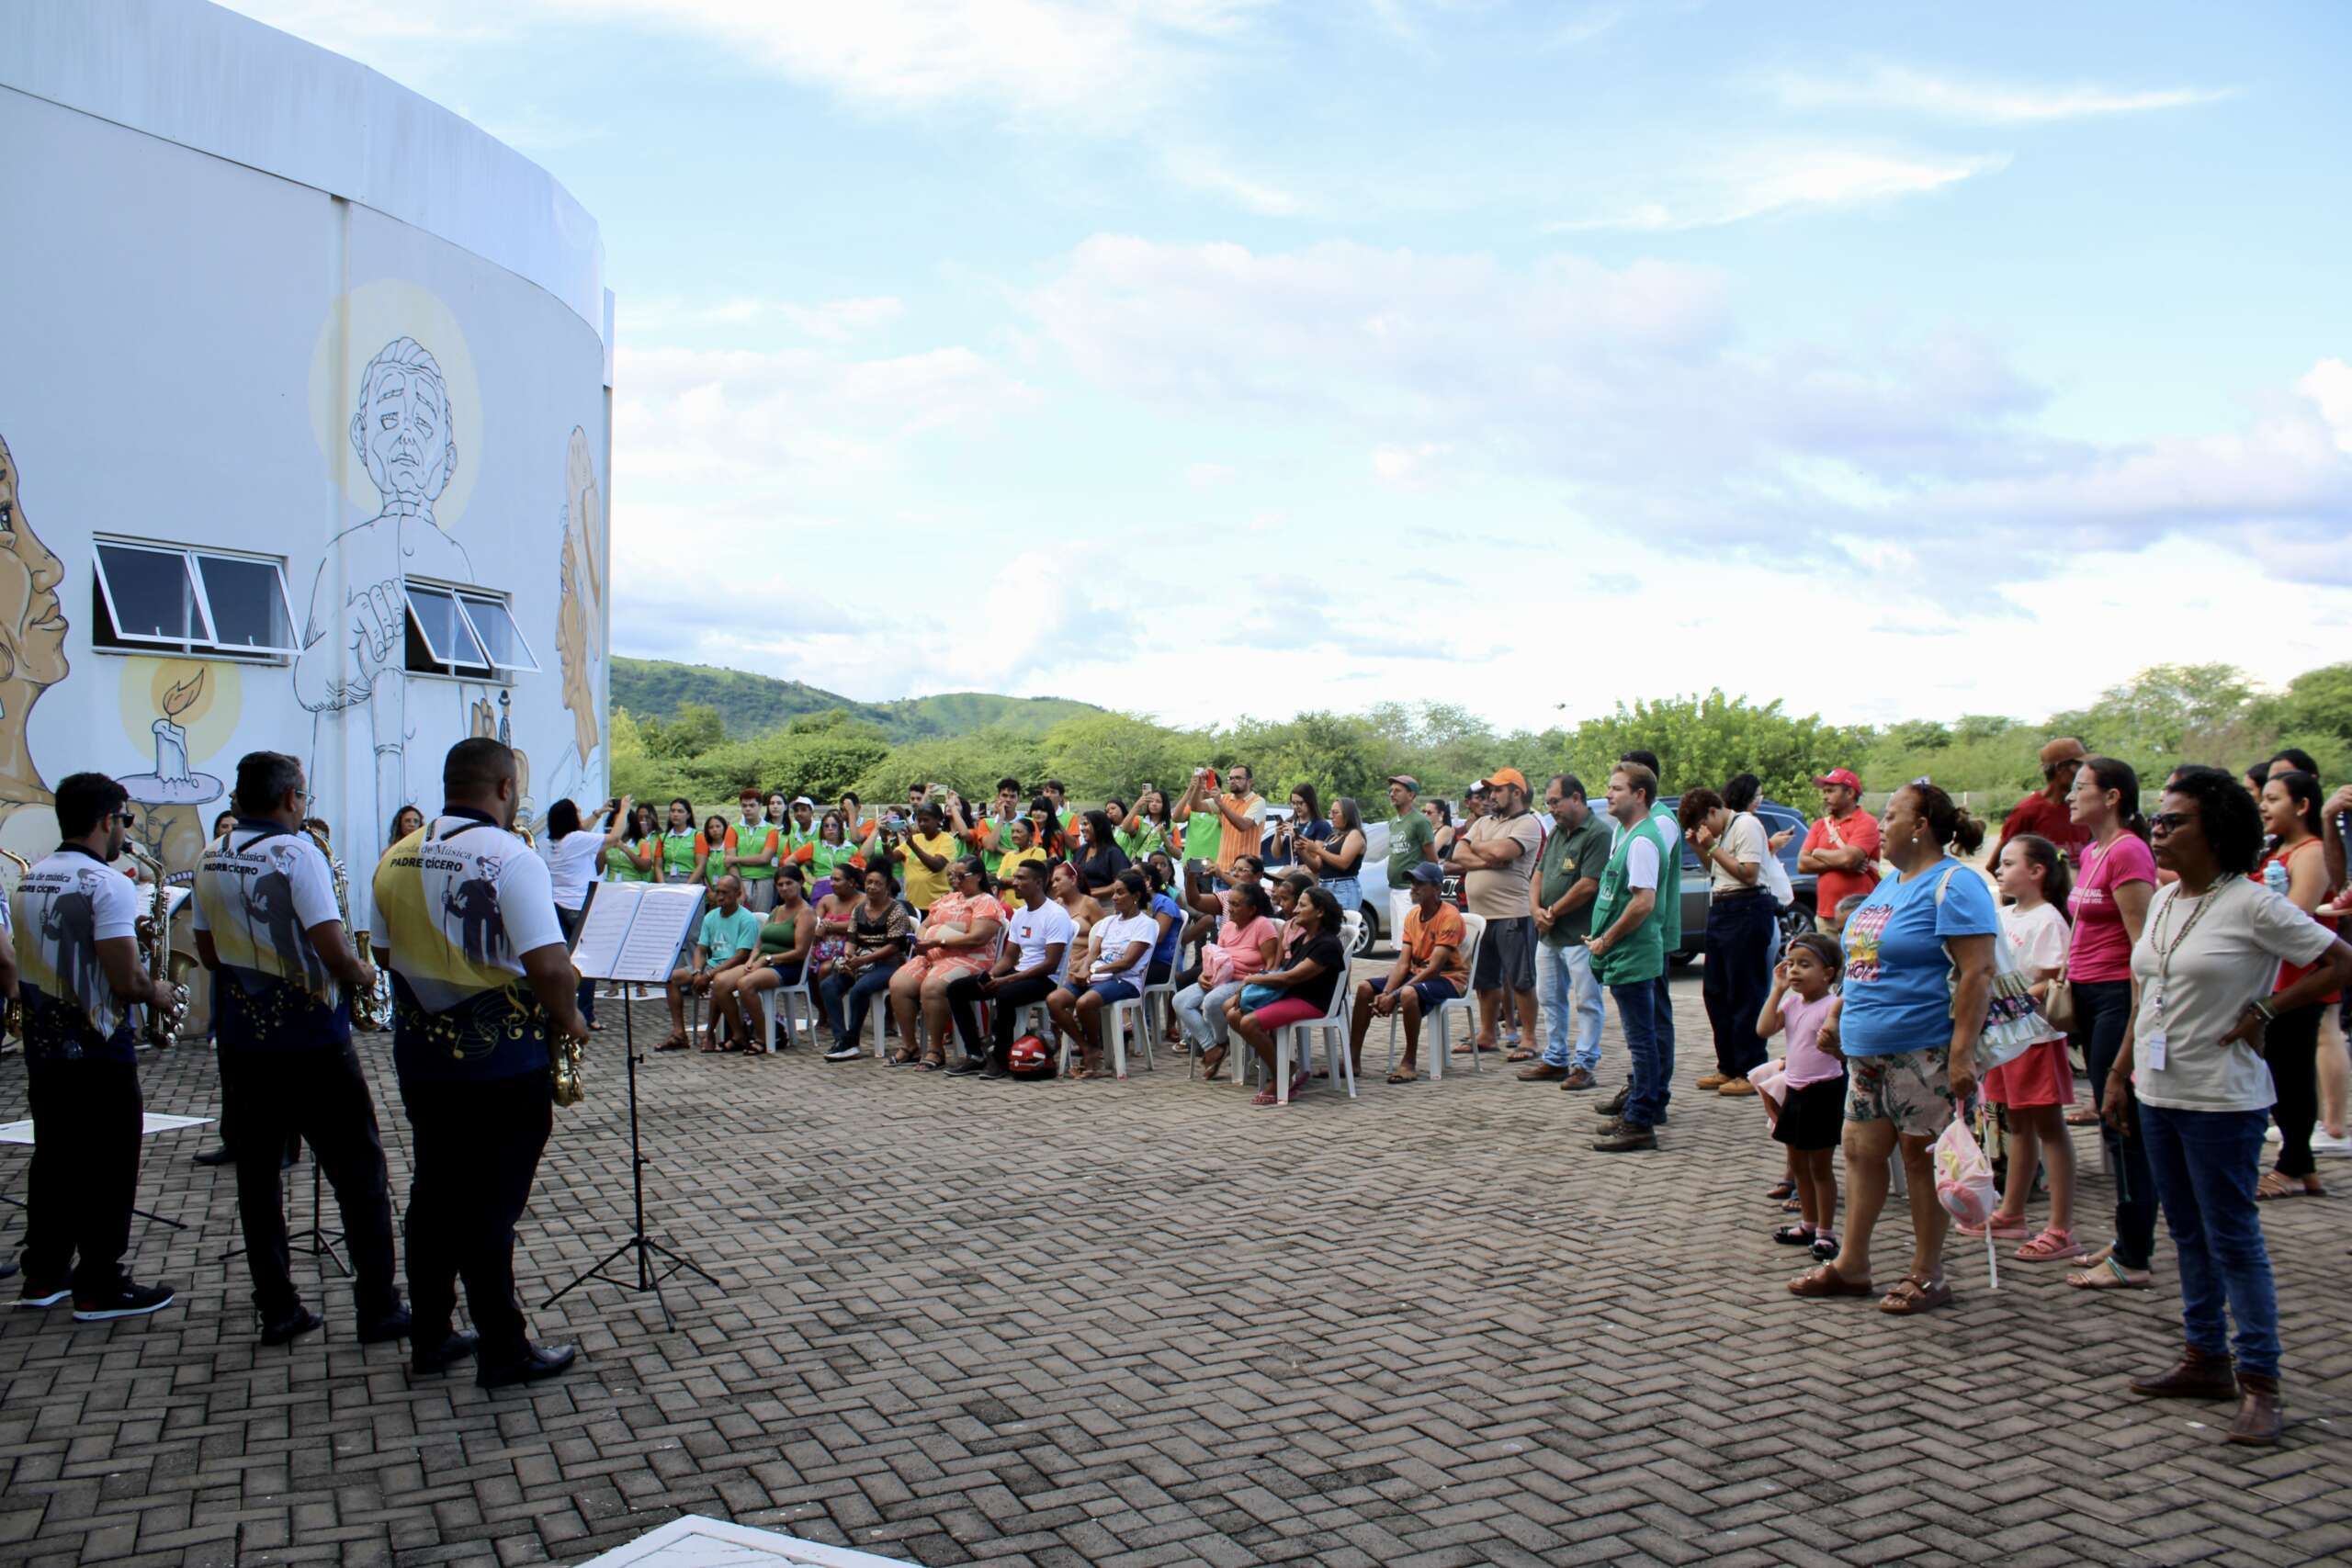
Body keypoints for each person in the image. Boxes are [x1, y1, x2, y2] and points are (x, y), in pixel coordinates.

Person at [2115, 765, 2352, 1446]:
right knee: (2187, 1231)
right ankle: (2204, 1358)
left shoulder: (2252, 903)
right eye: (2157, 819)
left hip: (2221, 1099)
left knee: (2233, 1237)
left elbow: (2339, 960)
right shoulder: (2164, 902)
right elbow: (2148, 992)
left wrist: (2267, 1009)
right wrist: (2121, 1072)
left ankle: (2261, 1381)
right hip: (2159, 1092)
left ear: (2216, 828)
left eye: (2174, 820)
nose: (2158, 829)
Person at [370, 739, 585, 1387]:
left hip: (423, 1055)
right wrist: (570, 1018)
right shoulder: (509, 857)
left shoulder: (397, 855)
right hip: (502, 1064)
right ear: (503, 786)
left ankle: (431, 1333)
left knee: (433, 1192)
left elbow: (383, 955)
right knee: (492, 1205)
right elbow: (549, 965)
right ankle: (503, 1346)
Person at [192, 751, 406, 1346]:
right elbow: (331, 948)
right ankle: (377, 1304)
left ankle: (278, 1306)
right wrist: (364, 975)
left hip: (242, 1038)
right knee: (359, 1172)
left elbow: (208, 952)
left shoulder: (213, 854)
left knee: (258, 1176)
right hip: (310, 1039)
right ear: (290, 797)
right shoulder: (297, 853)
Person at [1788, 783, 1994, 1316]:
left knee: (1918, 1156)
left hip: (1921, 1047)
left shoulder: (1955, 883)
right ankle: (1853, 1264)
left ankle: (1928, 1273)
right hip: (1867, 1049)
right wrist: (1836, 1016)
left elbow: (1977, 973)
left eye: (1892, 814)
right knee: (1859, 1150)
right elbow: (1858, 964)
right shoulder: (1888, 886)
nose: (1881, 824)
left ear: (1921, 825)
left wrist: (1962, 1054)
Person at [11, 773, 179, 1321]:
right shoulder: (107, 884)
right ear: (107, 820)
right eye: (125, 820)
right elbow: (127, 981)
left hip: (45, 1046)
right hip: (99, 1045)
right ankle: (99, 1283)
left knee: (55, 1158)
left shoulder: (32, 878)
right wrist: (163, 992)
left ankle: (44, 1273)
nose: (125, 832)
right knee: (109, 1163)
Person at [2063, 756, 2161, 1292]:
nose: (2070, 797)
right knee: (2111, 1123)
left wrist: (2133, 1031)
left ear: (2115, 796)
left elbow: (2143, 944)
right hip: (2088, 994)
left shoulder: (2128, 851)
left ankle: (2135, 1255)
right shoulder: (2097, 850)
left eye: (2081, 788)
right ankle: (2127, 1239)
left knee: (2122, 1123)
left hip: (2117, 999)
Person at [1962, 834, 2082, 1260]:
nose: (1999, 869)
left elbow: (2048, 980)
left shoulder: (2049, 919)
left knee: (2049, 1127)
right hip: (2005, 1039)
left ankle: (2060, 1226)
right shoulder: (2005, 915)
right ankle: (2012, 1212)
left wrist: (2004, 1008)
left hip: (2033, 1039)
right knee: (2017, 1126)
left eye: (2009, 863)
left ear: (2037, 872)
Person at [2250, 770, 2338, 1199]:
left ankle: (2295, 1166)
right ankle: (2300, 1164)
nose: (2263, 806)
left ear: (2302, 806)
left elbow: (2296, 916)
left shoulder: (2311, 852)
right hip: (2274, 977)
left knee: (2291, 1072)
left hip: (2300, 978)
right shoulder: (2273, 850)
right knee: (2281, 1070)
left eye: (2273, 798)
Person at [1588, 764, 1673, 1152]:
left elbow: (1643, 903)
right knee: (1642, 1039)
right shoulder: (1628, 835)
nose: (1608, 794)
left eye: (1616, 788)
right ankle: (1639, 1109)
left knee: (1642, 1041)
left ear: (1640, 795)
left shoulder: (1642, 841)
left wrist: (1606, 939)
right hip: (1626, 955)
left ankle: (1640, 1120)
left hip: (1633, 954)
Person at [1680, 785, 1775, 1096]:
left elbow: (1747, 874)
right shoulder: (1718, 834)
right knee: (1717, 992)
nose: (1701, 832)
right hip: (1721, 909)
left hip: (1746, 907)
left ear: (1712, 812)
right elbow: (1718, 870)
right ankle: (1728, 1066)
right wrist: (1699, 847)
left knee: (1745, 993)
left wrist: (1712, 845)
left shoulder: (1746, 824)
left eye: (1699, 825)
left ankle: (1751, 1069)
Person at [1758, 933, 1847, 1262]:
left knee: (1820, 1167)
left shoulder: (1833, 1004)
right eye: (1791, 964)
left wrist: (1835, 1045)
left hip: (1823, 1090)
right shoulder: (1793, 1002)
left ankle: (1825, 1232)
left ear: (1828, 973)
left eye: (1805, 965)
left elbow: (1844, 1054)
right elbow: (1764, 1030)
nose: (1794, 971)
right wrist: (1777, 989)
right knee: (1797, 1164)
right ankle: (1807, 1224)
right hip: (1794, 1089)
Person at [945, 859, 1073, 1077]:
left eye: (1021, 878)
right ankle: (975, 1054)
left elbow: (1050, 964)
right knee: (956, 989)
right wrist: (992, 974)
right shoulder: (1021, 914)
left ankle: (1001, 1059)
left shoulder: (1056, 914)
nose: (1014, 882)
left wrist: (1007, 980)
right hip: (1021, 973)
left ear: (1038, 883)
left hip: (1046, 979)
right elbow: (1009, 956)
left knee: (1005, 995)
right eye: (1015, 877)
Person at [1523, 775, 1611, 1090]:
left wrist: (1552, 912)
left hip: (1580, 935)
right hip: (1549, 934)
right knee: (1550, 998)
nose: (1551, 808)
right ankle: (1556, 1058)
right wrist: (1535, 909)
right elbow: (1539, 873)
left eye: (1555, 801)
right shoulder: (1558, 832)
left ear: (1576, 798)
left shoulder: (1598, 833)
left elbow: (1589, 884)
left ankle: (1584, 1064)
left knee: (1587, 1001)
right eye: (1548, 803)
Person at [1226, 886, 1348, 1106]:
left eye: (1302, 905)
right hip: (1292, 995)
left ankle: (1281, 1076)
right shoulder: (1304, 939)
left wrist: (1253, 979)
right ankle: (1284, 1065)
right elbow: (1283, 975)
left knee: (1250, 1023)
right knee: (1234, 1015)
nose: (1295, 910)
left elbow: (1290, 978)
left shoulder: (1327, 945)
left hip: (1314, 1002)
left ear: (1319, 912)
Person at [1449, 766, 1542, 1057]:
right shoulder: (1484, 822)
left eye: (1498, 790)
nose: (1492, 795)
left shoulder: (1528, 823)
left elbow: (1503, 853)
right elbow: (1458, 855)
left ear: (1517, 792)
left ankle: (1528, 1039)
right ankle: (1488, 1034)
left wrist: (1480, 848)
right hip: (1480, 917)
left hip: (1513, 913)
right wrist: (1486, 856)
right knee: (1485, 980)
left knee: (1521, 980)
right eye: (1490, 790)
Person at [1350, 861, 1465, 1084]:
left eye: (1420, 883)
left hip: (1448, 979)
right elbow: (1403, 964)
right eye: (1412, 882)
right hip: (1418, 974)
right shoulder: (1413, 915)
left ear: (1437, 889)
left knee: (1408, 994)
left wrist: (1394, 996)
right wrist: (1386, 993)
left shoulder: (1449, 916)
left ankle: (1409, 1061)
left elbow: (1434, 969)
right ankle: (1353, 1059)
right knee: (1365, 988)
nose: (1413, 887)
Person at [887, 856, 1001, 1069]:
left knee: (933, 986)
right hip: (932, 954)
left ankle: (936, 1049)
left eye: (960, 876)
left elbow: (978, 937)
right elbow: (925, 923)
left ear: (977, 876)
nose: (954, 880)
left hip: (970, 958)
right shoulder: (948, 898)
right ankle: (910, 1045)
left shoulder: (986, 901)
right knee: (899, 983)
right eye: (951, 876)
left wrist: (939, 941)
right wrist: (921, 938)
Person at [1047, 869, 1158, 1078]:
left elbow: (1127, 962)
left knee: (1084, 1003)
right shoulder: (1108, 922)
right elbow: (1093, 953)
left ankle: (1094, 1046)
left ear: (1135, 896)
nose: (1114, 897)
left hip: (1125, 980)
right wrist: (1081, 969)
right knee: (1054, 1000)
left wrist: (1093, 970)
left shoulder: (1146, 925)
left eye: (1120, 893)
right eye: (1114, 892)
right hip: (1097, 976)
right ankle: (1087, 1047)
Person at [543, 796, 626, 1027]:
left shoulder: (553, 842)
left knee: (563, 962)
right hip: (578, 907)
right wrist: (623, 811)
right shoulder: (576, 840)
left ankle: (560, 1010)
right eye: (577, 812)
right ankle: (586, 1014)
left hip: (557, 906)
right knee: (586, 963)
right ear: (570, 819)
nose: (581, 815)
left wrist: (598, 813)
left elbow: (581, 832)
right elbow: (614, 838)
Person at [819, 867, 910, 1062]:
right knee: (828, 986)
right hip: (861, 961)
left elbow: (894, 947)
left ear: (887, 887)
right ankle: (842, 1039)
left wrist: (864, 960)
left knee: (860, 989)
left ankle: (852, 1039)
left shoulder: (897, 911)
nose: (872, 887)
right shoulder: (859, 910)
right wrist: (849, 957)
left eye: (878, 883)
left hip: (889, 964)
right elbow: (851, 939)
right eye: (869, 882)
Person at [718, 866, 815, 1049]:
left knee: (745, 984)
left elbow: (800, 952)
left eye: (789, 883)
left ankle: (764, 1036)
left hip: (787, 966)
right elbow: (758, 944)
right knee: (720, 983)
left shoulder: (806, 913)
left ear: (800, 883)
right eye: (780, 884)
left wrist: (767, 960)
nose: (784, 888)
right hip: (762, 961)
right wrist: (751, 960)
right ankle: (739, 1034)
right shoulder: (776, 910)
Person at [660, 874, 760, 1054]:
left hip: (735, 967)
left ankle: (728, 1034)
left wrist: (708, 976)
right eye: (717, 892)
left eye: (725, 893)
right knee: (672, 978)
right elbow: (700, 949)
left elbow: (741, 955)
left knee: (719, 981)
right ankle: (679, 1033)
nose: (719, 897)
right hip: (712, 965)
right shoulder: (711, 917)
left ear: (737, 894)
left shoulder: (747, 918)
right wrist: (698, 972)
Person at [1799, 768, 1881, 936]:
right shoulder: (1820, 825)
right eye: (1824, 791)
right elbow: (1802, 864)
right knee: (1831, 962)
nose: (1825, 796)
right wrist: (1842, 862)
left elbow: (1849, 859)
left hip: (1860, 913)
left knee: (1860, 961)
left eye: (1830, 791)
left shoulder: (1867, 822)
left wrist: (1818, 852)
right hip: (1826, 915)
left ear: (1850, 793)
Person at [1996, 738, 2091, 864]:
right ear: (2060, 768)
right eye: (2079, 766)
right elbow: (1996, 865)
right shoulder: (2027, 811)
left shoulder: (2085, 808)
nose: (2084, 773)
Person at [1177, 763, 1266, 886]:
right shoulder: (1225, 798)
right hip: (1221, 871)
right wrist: (1198, 785)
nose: (1233, 781)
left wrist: (1220, 803)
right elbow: (1195, 806)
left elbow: (1243, 825)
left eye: (1238, 778)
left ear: (1250, 781)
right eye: (1231, 778)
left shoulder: (1258, 801)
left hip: (1245, 874)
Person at [1383, 776, 1437, 940]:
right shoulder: (1393, 822)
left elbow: (1432, 859)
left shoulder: (1420, 821)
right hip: (1394, 889)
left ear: (1411, 795)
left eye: (1398, 790)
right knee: (1399, 942)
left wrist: (1423, 889)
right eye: (1391, 791)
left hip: (1411, 890)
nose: (1392, 794)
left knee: (1412, 941)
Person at [1297, 795, 1368, 919]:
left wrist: (1317, 849)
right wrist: (1302, 850)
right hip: (1325, 886)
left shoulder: (1354, 834)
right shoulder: (1332, 837)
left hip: (1343, 888)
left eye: (1335, 813)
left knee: (1342, 930)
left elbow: (1343, 863)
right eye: (1330, 812)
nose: (1331, 816)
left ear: (1348, 814)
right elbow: (1317, 867)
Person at [887, 803, 958, 918]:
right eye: (919, 821)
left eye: (926, 820)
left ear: (938, 820)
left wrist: (913, 846)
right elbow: (890, 859)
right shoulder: (915, 838)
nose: (922, 824)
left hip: (938, 905)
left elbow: (936, 866)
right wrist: (885, 841)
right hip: (913, 906)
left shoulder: (946, 840)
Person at [723, 789, 780, 914]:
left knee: (761, 919)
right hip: (741, 879)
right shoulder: (733, 829)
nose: (748, 809)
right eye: (744, 806)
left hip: (765, 880)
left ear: (760, 806)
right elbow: (729, 863)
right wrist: (741, 890)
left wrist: (736, 859)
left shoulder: (771, 830)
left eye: (752, 805)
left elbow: (765, 858)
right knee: (741, 919)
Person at [794, 811, 863, 903]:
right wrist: (807, 878)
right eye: (826, 826)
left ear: (840, 828)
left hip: (845, 890)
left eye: (834, 825)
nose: (830, 829)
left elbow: (863, 869)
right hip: (822, 888)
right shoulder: (814, 846)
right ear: (822, 829)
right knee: (819, 917)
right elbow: (789, 861)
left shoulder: (851, 848)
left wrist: (853, 868)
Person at [1071, 809, 1132, 898]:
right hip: (1081, 902)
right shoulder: (1080, 851)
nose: (1082, 828)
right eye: (1082, 824)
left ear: (1098, 826)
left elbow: (1122, 883)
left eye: (1086, 824)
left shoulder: (1113, 852)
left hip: (1107, 904)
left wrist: (1090, 893)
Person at [977, 777, 1026, 878]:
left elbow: (1029, 853)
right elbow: (990, 847)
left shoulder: (1028, 822)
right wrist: (1001, 818)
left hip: (1019, 874)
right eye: (1004, 795)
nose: (1008, 800)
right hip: (992, 875)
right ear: (998, 797)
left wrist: (998, 848)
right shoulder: (985, 822)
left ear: (1018, 799)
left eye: (1012, 796)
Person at [605, 801, 657, 884]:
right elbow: (598, 870)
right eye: (616, 823)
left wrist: (625, 849)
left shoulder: (642, 843)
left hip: (633, 886)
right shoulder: (608, 843)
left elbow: (646, 867)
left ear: (631, 824)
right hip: (611, 885)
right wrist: (603, 845)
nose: (619, 826)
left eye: (623, 822)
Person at [1117, 788, 1174, 863]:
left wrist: (1165, 838)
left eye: (1158, 801)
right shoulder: (1139, 820)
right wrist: (1137, 805)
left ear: (1165, 804)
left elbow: (1179, 855)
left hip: (1160, 866)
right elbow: (1124, 828)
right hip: (1140, 863)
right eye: (1151, 801)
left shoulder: (1172, 825)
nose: (1154, 804)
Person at [654, 797, 700, 884]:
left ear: (688, 815)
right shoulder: (662, 837)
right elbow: (658, 866)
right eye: (672, 811)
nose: (675, 814)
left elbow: (701, 865)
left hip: (690, 882)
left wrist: (687, 887)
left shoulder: (697, 836)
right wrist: (662, 885)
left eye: (680, 811)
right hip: (667, 880)